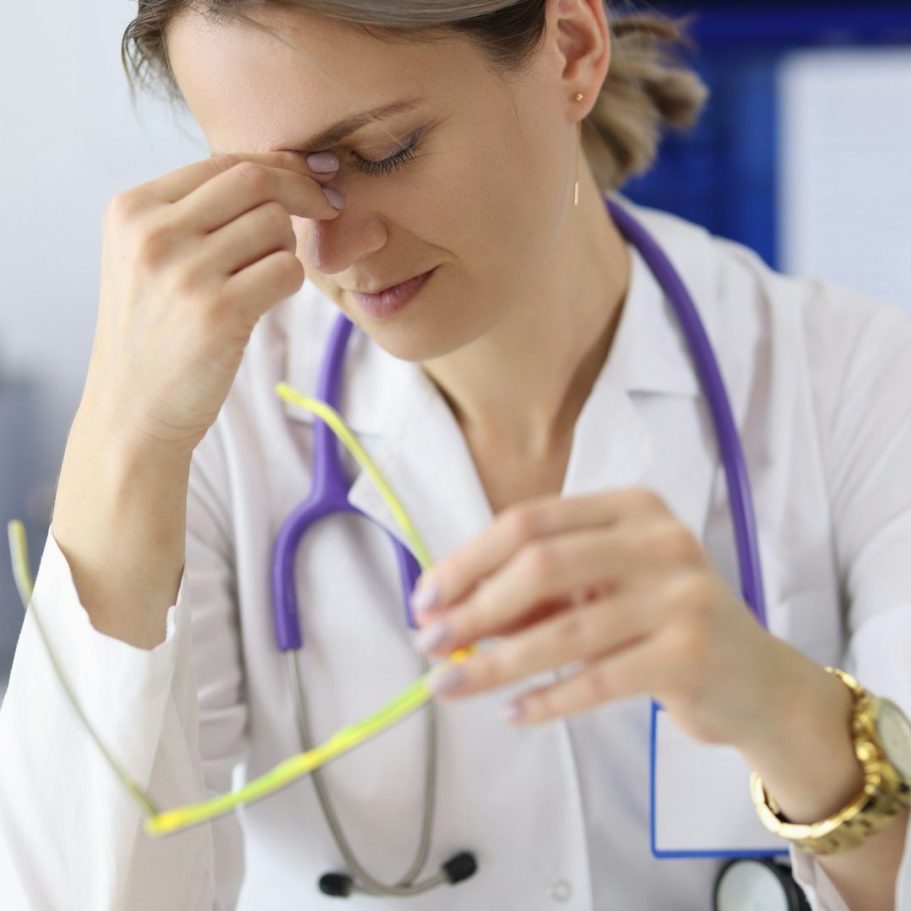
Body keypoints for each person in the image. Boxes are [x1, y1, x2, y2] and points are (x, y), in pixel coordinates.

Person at [1, 0, 909, 908]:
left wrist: (782, 708)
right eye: (269, 188)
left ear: (570, 49)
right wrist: (121, 433)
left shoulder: (857, 384)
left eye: (382, 152)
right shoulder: (211, 424)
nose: (329, 252)